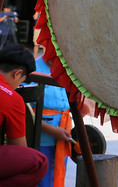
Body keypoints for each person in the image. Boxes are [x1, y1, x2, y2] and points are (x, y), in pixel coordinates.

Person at [0, 43, 49, 185]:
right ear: (17, 74)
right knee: (39, 162)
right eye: (21, 82)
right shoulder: (12, 98)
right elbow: (19, 147)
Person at [31, 56, 72, 187]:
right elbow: (26, 112)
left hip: (63, 136)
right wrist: (53, 131)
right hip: (40, 140)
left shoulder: (66, 67)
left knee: (57, 177)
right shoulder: (33, 68)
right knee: (42, 181)